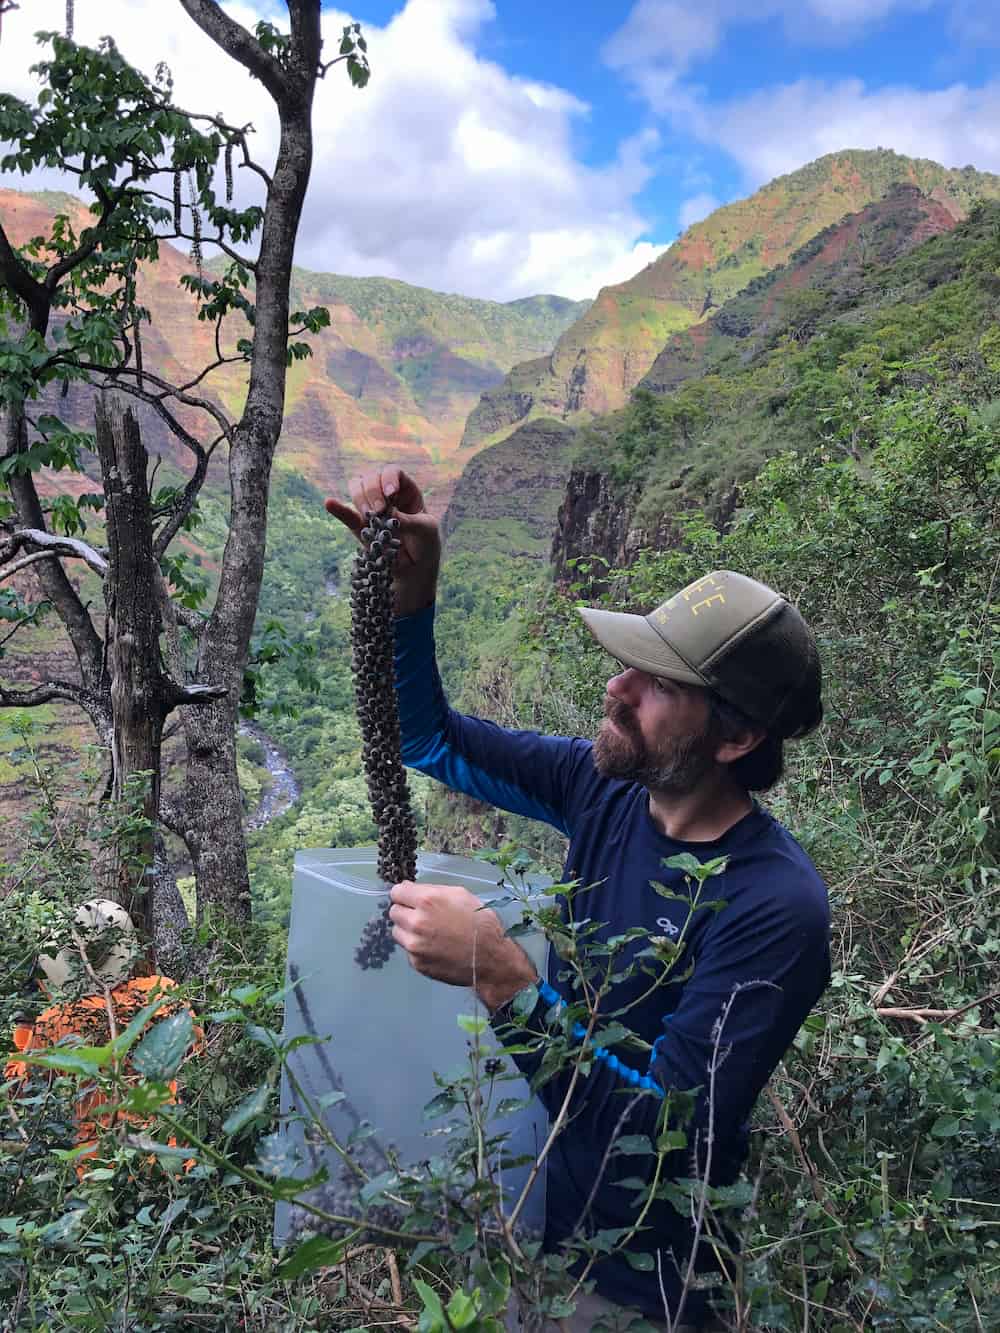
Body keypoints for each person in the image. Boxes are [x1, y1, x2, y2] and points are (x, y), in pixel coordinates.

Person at [326, 468, 831, 1332]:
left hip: (645, 1289)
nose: (616, 689)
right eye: (629, 665)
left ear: (737, 737)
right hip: (541, 1228)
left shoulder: (775, 907)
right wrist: (414, 594)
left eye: (659, 685)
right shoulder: (603, 792)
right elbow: (425, 738)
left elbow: (663, 1135)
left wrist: (503, 977)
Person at [5, 899, 198, 1172]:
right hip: (168, 1157)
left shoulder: (57, 1020)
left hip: (98, 1170)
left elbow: (20, 1088)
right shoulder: (163, 993)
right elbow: (196, 1049)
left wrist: (25, 1024)